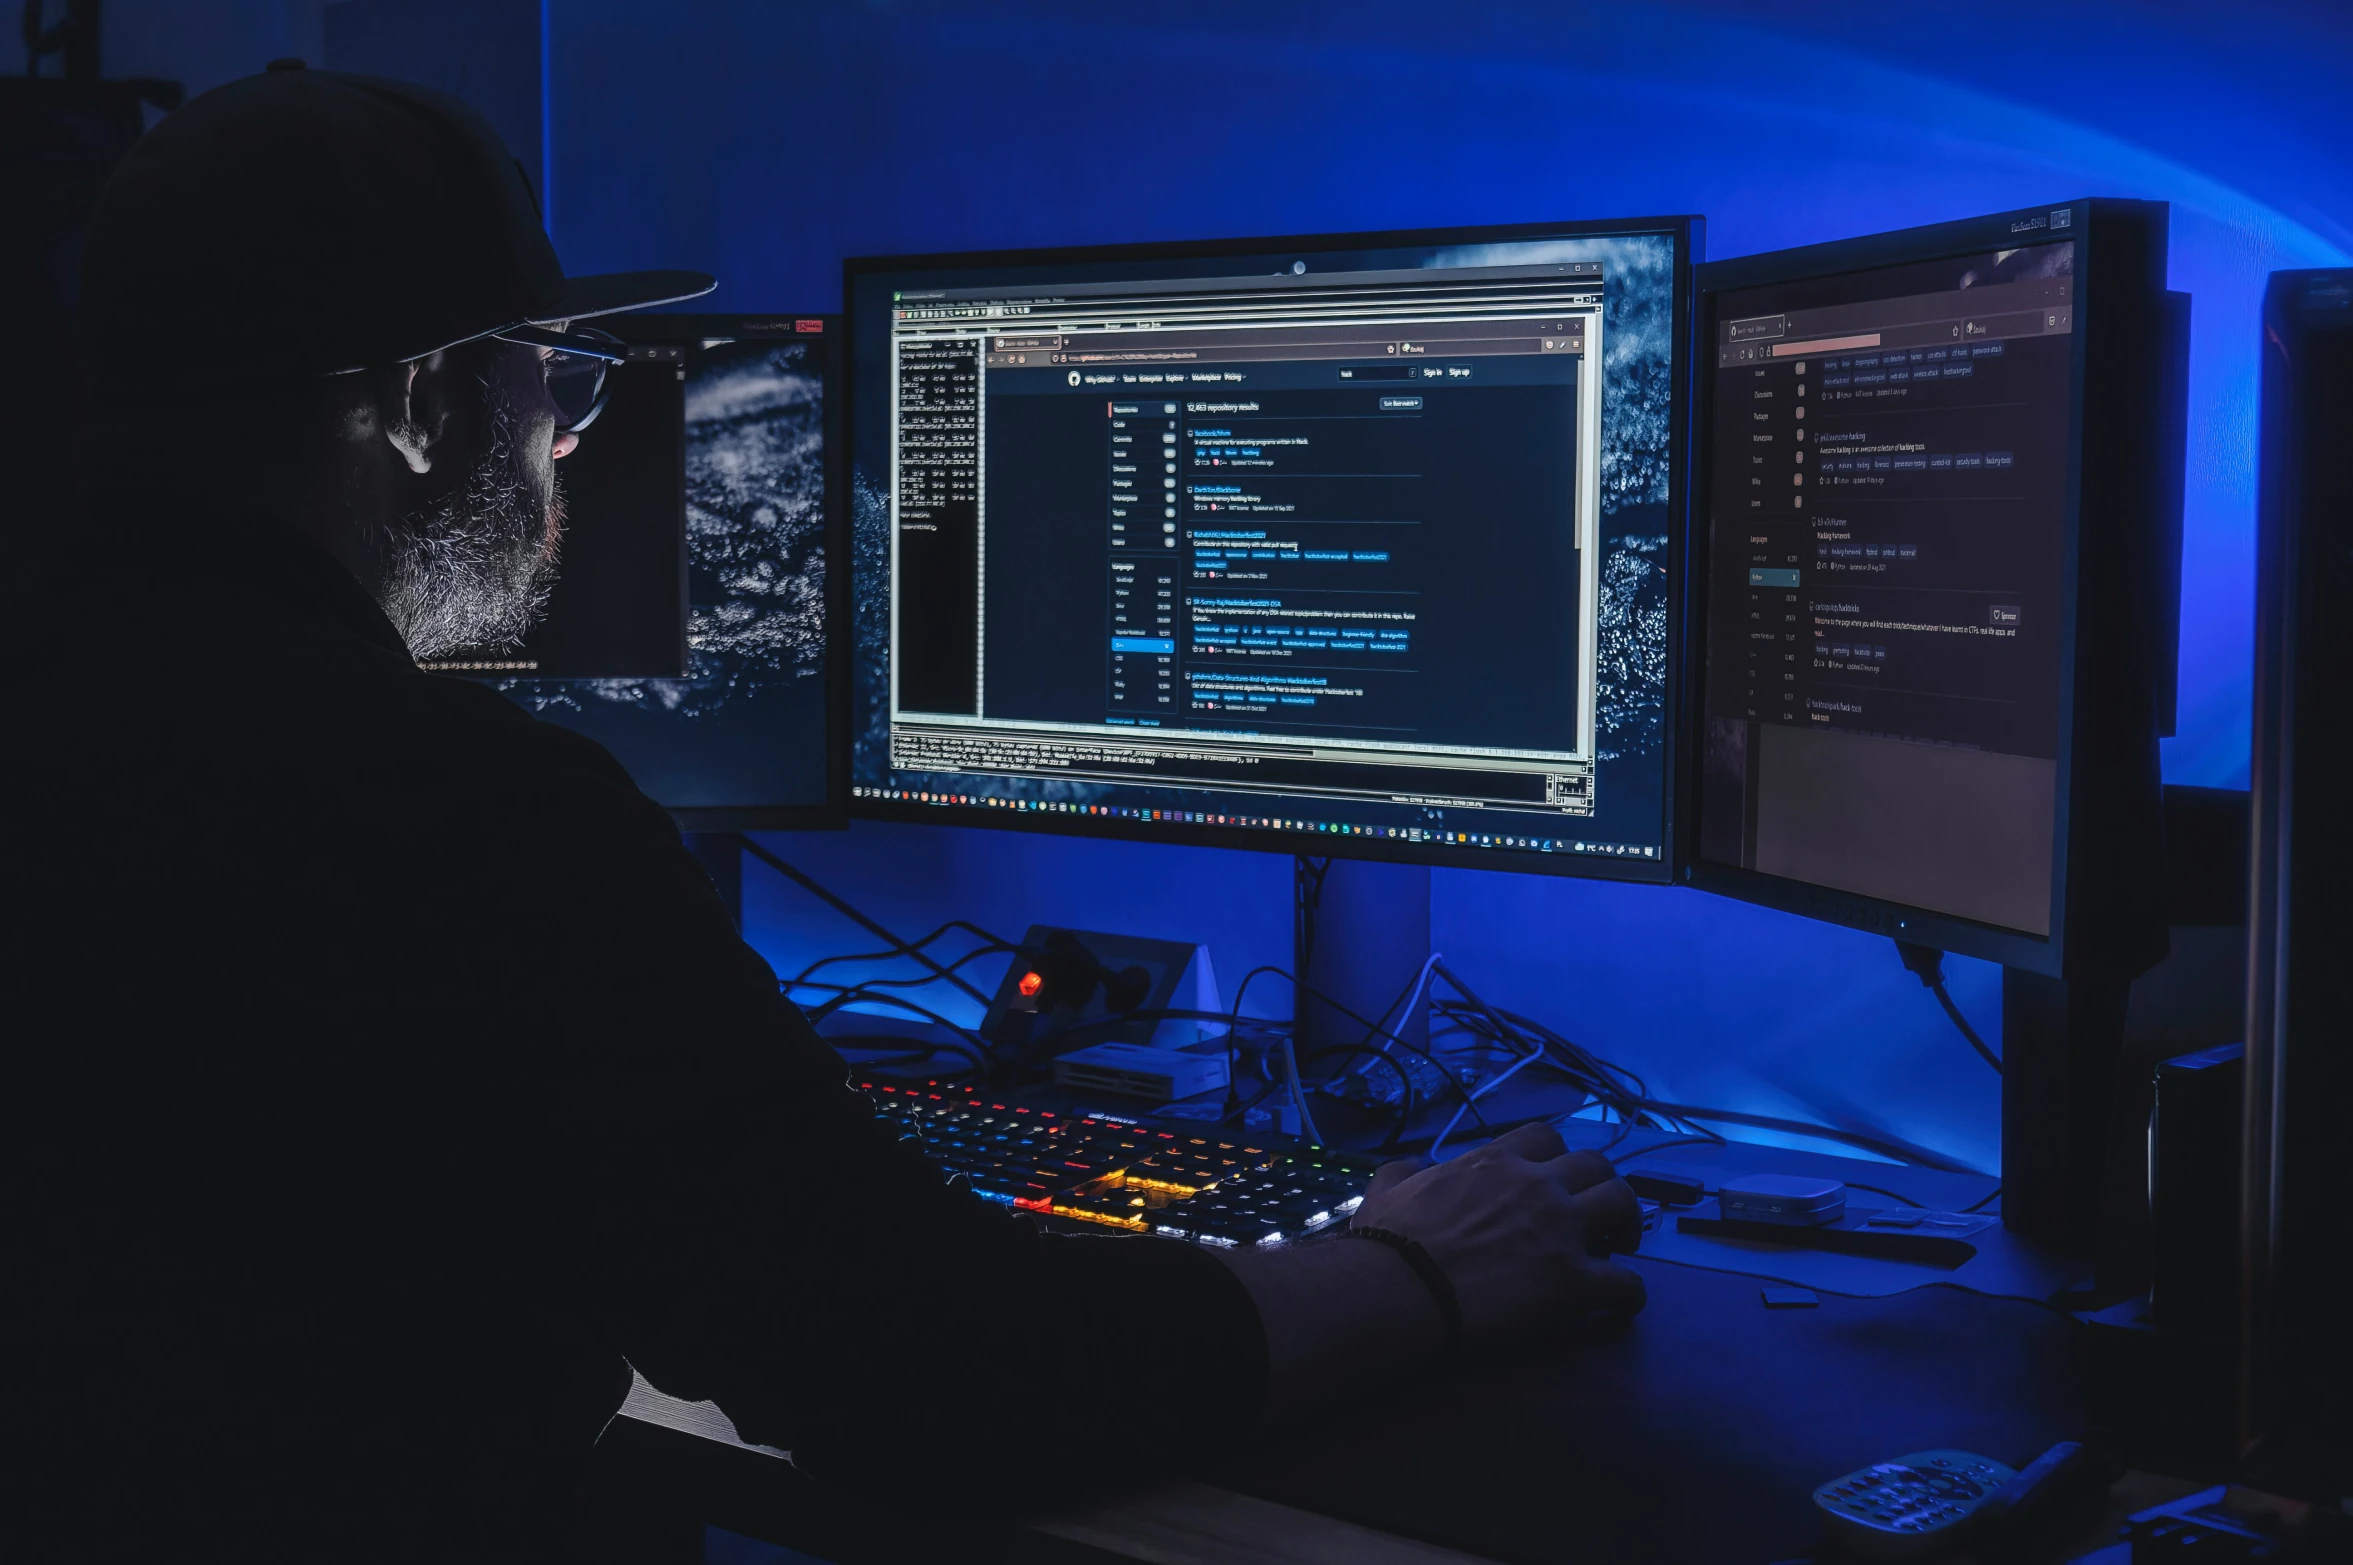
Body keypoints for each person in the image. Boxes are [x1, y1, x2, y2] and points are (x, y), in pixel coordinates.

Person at [1, 65, 1646, 1563]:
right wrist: (1415, 1271)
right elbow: (931, 1376)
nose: (570, 443)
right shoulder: (459, 815)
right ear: (426, 408)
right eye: (554, 386)